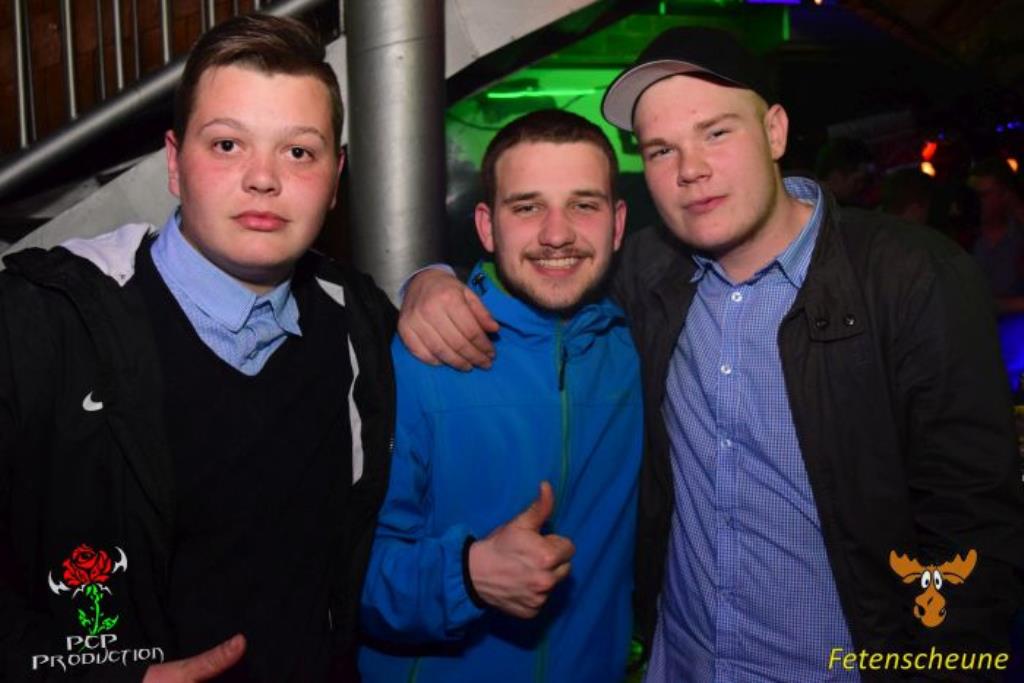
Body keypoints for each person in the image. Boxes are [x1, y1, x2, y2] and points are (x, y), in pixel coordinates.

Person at [398, 27, 1024, 682]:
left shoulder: (910, 278)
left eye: (716, 133)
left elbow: (976, 529)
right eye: (661, 149)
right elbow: (548, 257)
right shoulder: (647, 274)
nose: (690, 169)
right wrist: (428, 281)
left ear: (775, 132)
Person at [0, 14, 395, 682]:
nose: (263, 178)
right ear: (175, 164)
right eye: (227, 144)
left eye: (299, 152)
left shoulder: (360, 323)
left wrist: (439, 283)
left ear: (336, 178)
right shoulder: (40, 325)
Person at [358, 110, 642, 682]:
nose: (557, 234)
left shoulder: (636, 346)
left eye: (583, 205)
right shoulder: (420, 358)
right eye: (528, 207)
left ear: (616, 225)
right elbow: (345, 576)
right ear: (487, 227)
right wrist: (469, 574)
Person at [969, 157, 1024, 299]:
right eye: (975, 195)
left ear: (1005, 195)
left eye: (984, 195)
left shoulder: (1017, 236)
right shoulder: (965, 239)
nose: (978, 202)